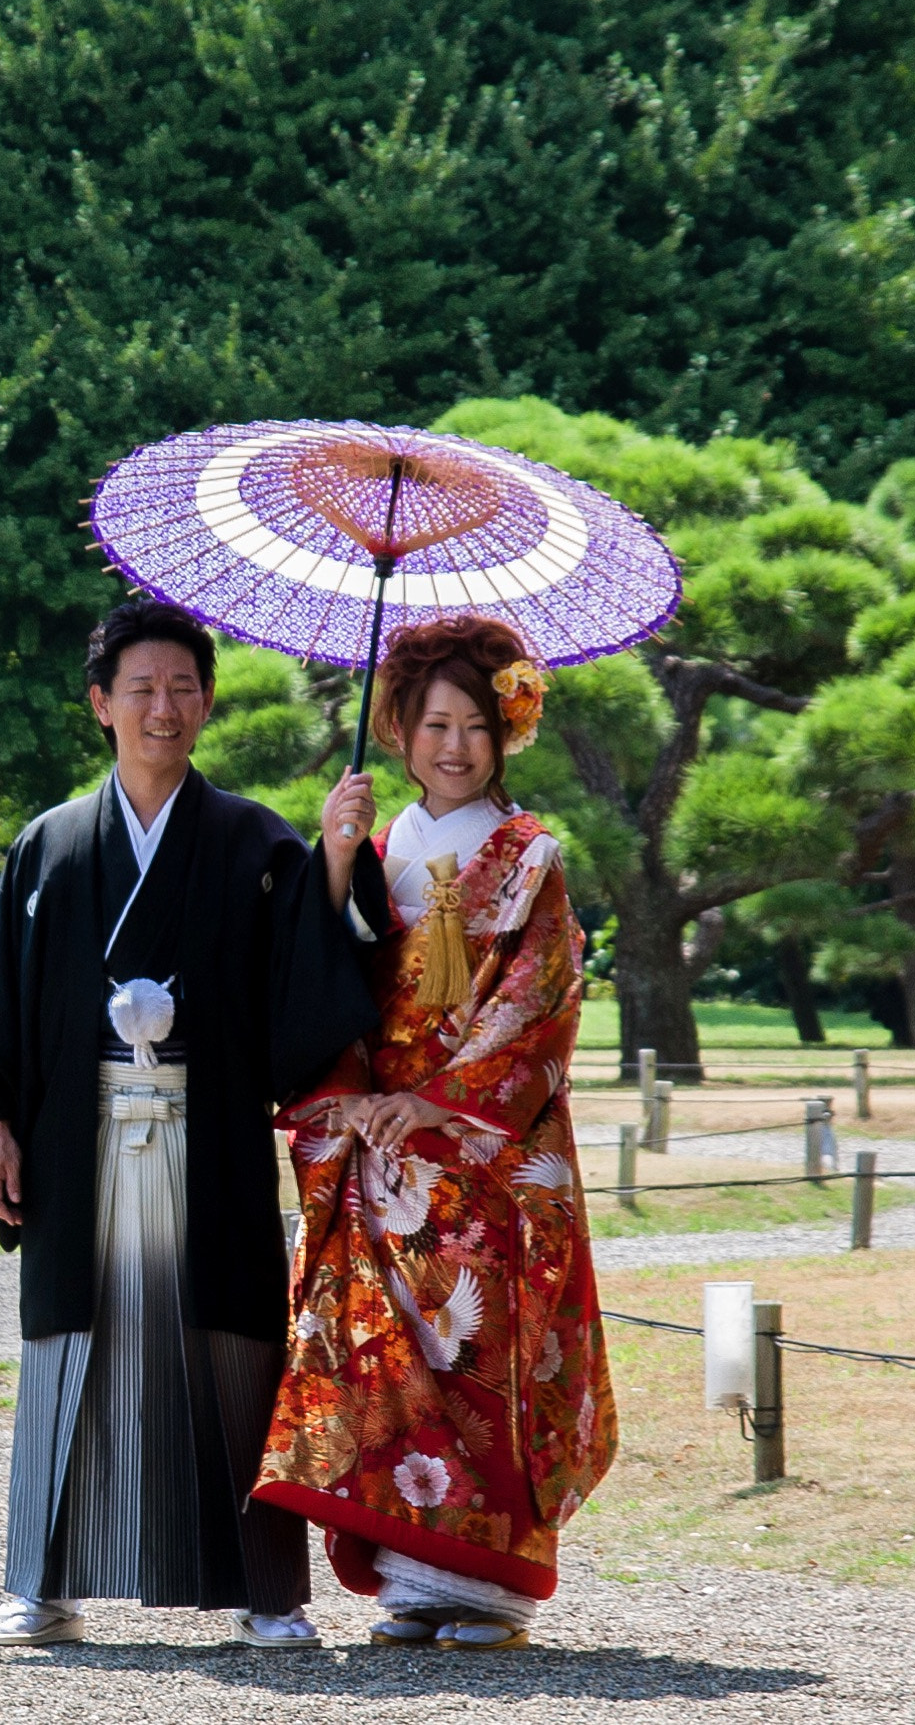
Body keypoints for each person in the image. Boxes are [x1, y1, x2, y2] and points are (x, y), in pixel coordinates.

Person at [0, 598, 380, 1649]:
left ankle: (265, 1595)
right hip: (74, 1143)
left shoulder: (256, 844)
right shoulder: (47, 847)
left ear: (209, 702)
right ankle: (40, 1585)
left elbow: (307, 982)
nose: (162, 706)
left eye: (183, 687)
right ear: (99, 703)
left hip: (209, 1136)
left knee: (229, 1347)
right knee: (67, 1348)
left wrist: (331, 858)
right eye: (140, 687)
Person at [250, 614, 617, 1650]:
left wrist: (439, 1102)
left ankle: (492, 1590)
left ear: (505, 734)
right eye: (429, 722)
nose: (451, 745)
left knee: (482, 1346)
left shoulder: (526, 852)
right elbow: (327, 987)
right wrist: (330, 858)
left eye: (472, 725)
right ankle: (418, 1584)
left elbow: (537, 1003)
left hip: (486, 1143)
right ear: (397, 729)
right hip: (380, 1140)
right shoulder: (379, 847)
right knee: (394, 1355)